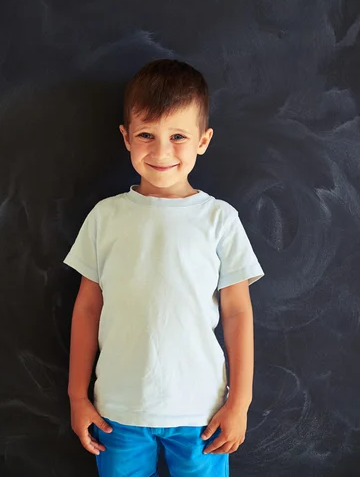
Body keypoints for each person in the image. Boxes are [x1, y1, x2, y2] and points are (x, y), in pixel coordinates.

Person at [63, 59, 264, 477]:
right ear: (126, 138)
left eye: (178, 136)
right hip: (117, 410)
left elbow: (238, 312)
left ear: (203, 140)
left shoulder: (220, 219)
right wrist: (76, 397)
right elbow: (86, 310)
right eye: (146, 135)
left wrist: (239, 403)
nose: (161, 151)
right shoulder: (105, 217)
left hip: (202, 414)